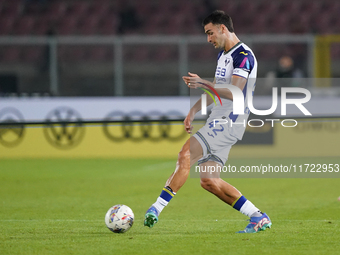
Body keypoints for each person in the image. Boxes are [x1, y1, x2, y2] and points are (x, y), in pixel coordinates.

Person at [144, 10, 272, 233]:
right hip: (218, 119)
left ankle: (156, 208)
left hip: (231, 121)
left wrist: (202, 82)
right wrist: (192, 112)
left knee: (185, 153)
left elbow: (235, 91)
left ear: (223, 28)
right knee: (209, 180)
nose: (208, 39)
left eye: (210, 33)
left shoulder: (243, 55)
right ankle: (257, 216)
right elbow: (216, 91)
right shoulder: (223, 56)